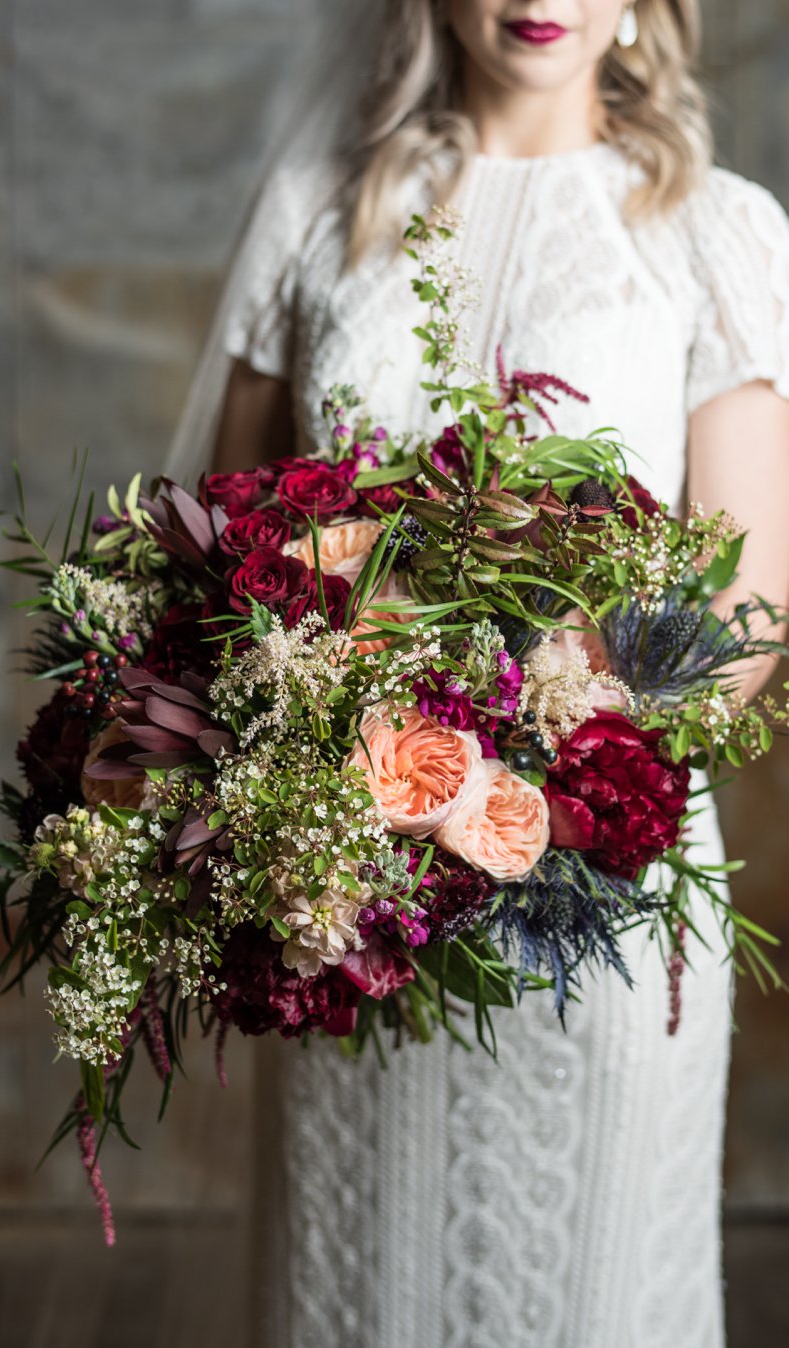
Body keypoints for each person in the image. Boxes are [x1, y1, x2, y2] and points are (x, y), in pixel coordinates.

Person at [170, 3, 789, 1344]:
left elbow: (749, 610)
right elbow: (236, 553)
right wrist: (351, 790)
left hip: (595, 894)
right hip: (355, 888)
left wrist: (535, 783)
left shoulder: (714, 231)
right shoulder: (317, 208)